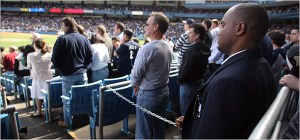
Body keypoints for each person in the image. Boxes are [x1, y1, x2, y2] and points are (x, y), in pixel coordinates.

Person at [176, 3, 276, 138]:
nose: (219, 31)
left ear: (240, 28)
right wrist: (194, 120)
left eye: (223, 25)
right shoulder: (260, 64)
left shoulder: (229, 82)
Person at [131, 12, 172, 139]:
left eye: (147, 24)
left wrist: (135, 84)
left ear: (155, 27)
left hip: (148, 95)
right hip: (163, 91)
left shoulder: (147, 48)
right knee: (159, 129)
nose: (145, 27)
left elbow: (136, 74)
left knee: (143, 132)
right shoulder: (168, 45)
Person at [51, 16, 93, 127]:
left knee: (67, 100)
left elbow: (54, 59)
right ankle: (82, 121)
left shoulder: (62, 39)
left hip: (69, 75)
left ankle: (68, 122)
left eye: (62, 25)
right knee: (82, 98)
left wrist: (62, 70)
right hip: (82, 74)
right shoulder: (84, 38)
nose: (62, 28)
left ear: (67, 26)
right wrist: (85, 68)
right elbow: (90, 57)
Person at [177, 23, 210, 115]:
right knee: (193, 111)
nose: (188, 35)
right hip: (198, 82)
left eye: (190, 33)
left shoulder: (191, 50)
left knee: (186, 113)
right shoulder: (204, 46)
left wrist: (179, 80)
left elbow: (186, 71)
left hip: (188, 85)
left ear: (197, 35)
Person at [27, 39, 52, 117]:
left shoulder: (30, 55)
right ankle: (48, 110)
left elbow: (29, 65)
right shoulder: (48, 54)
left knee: (38, 95)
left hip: (37, 77)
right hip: (47, 77)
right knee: (47, 94)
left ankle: (39, 111)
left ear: (35, 45)